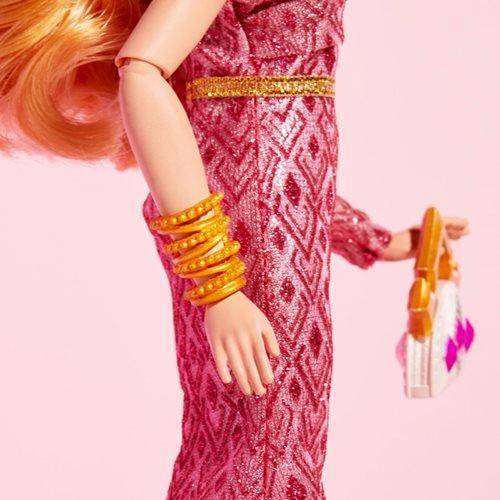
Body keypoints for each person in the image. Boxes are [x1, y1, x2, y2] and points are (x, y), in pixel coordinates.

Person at [0, 1, 469, 498]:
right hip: (235, 248)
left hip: (254, 224)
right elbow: (144, 72)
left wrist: (375, 240)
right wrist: (219, 281)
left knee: (250, 439)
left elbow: (277, 155)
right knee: (266, 440)